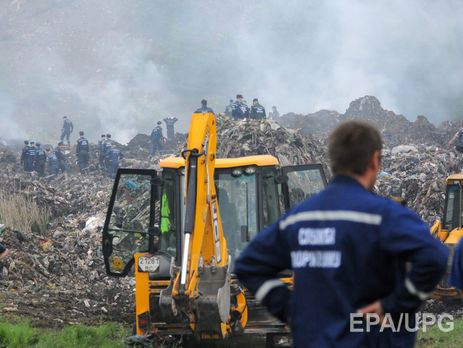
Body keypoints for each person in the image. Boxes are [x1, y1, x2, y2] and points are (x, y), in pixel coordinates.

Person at [235, 120, 448, 347]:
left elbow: (249, 265)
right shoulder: (384, 217)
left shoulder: (298, 218)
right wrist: (394, 305)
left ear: (333, 162)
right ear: (375, 160)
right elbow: (435, 257)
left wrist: (289, 309)